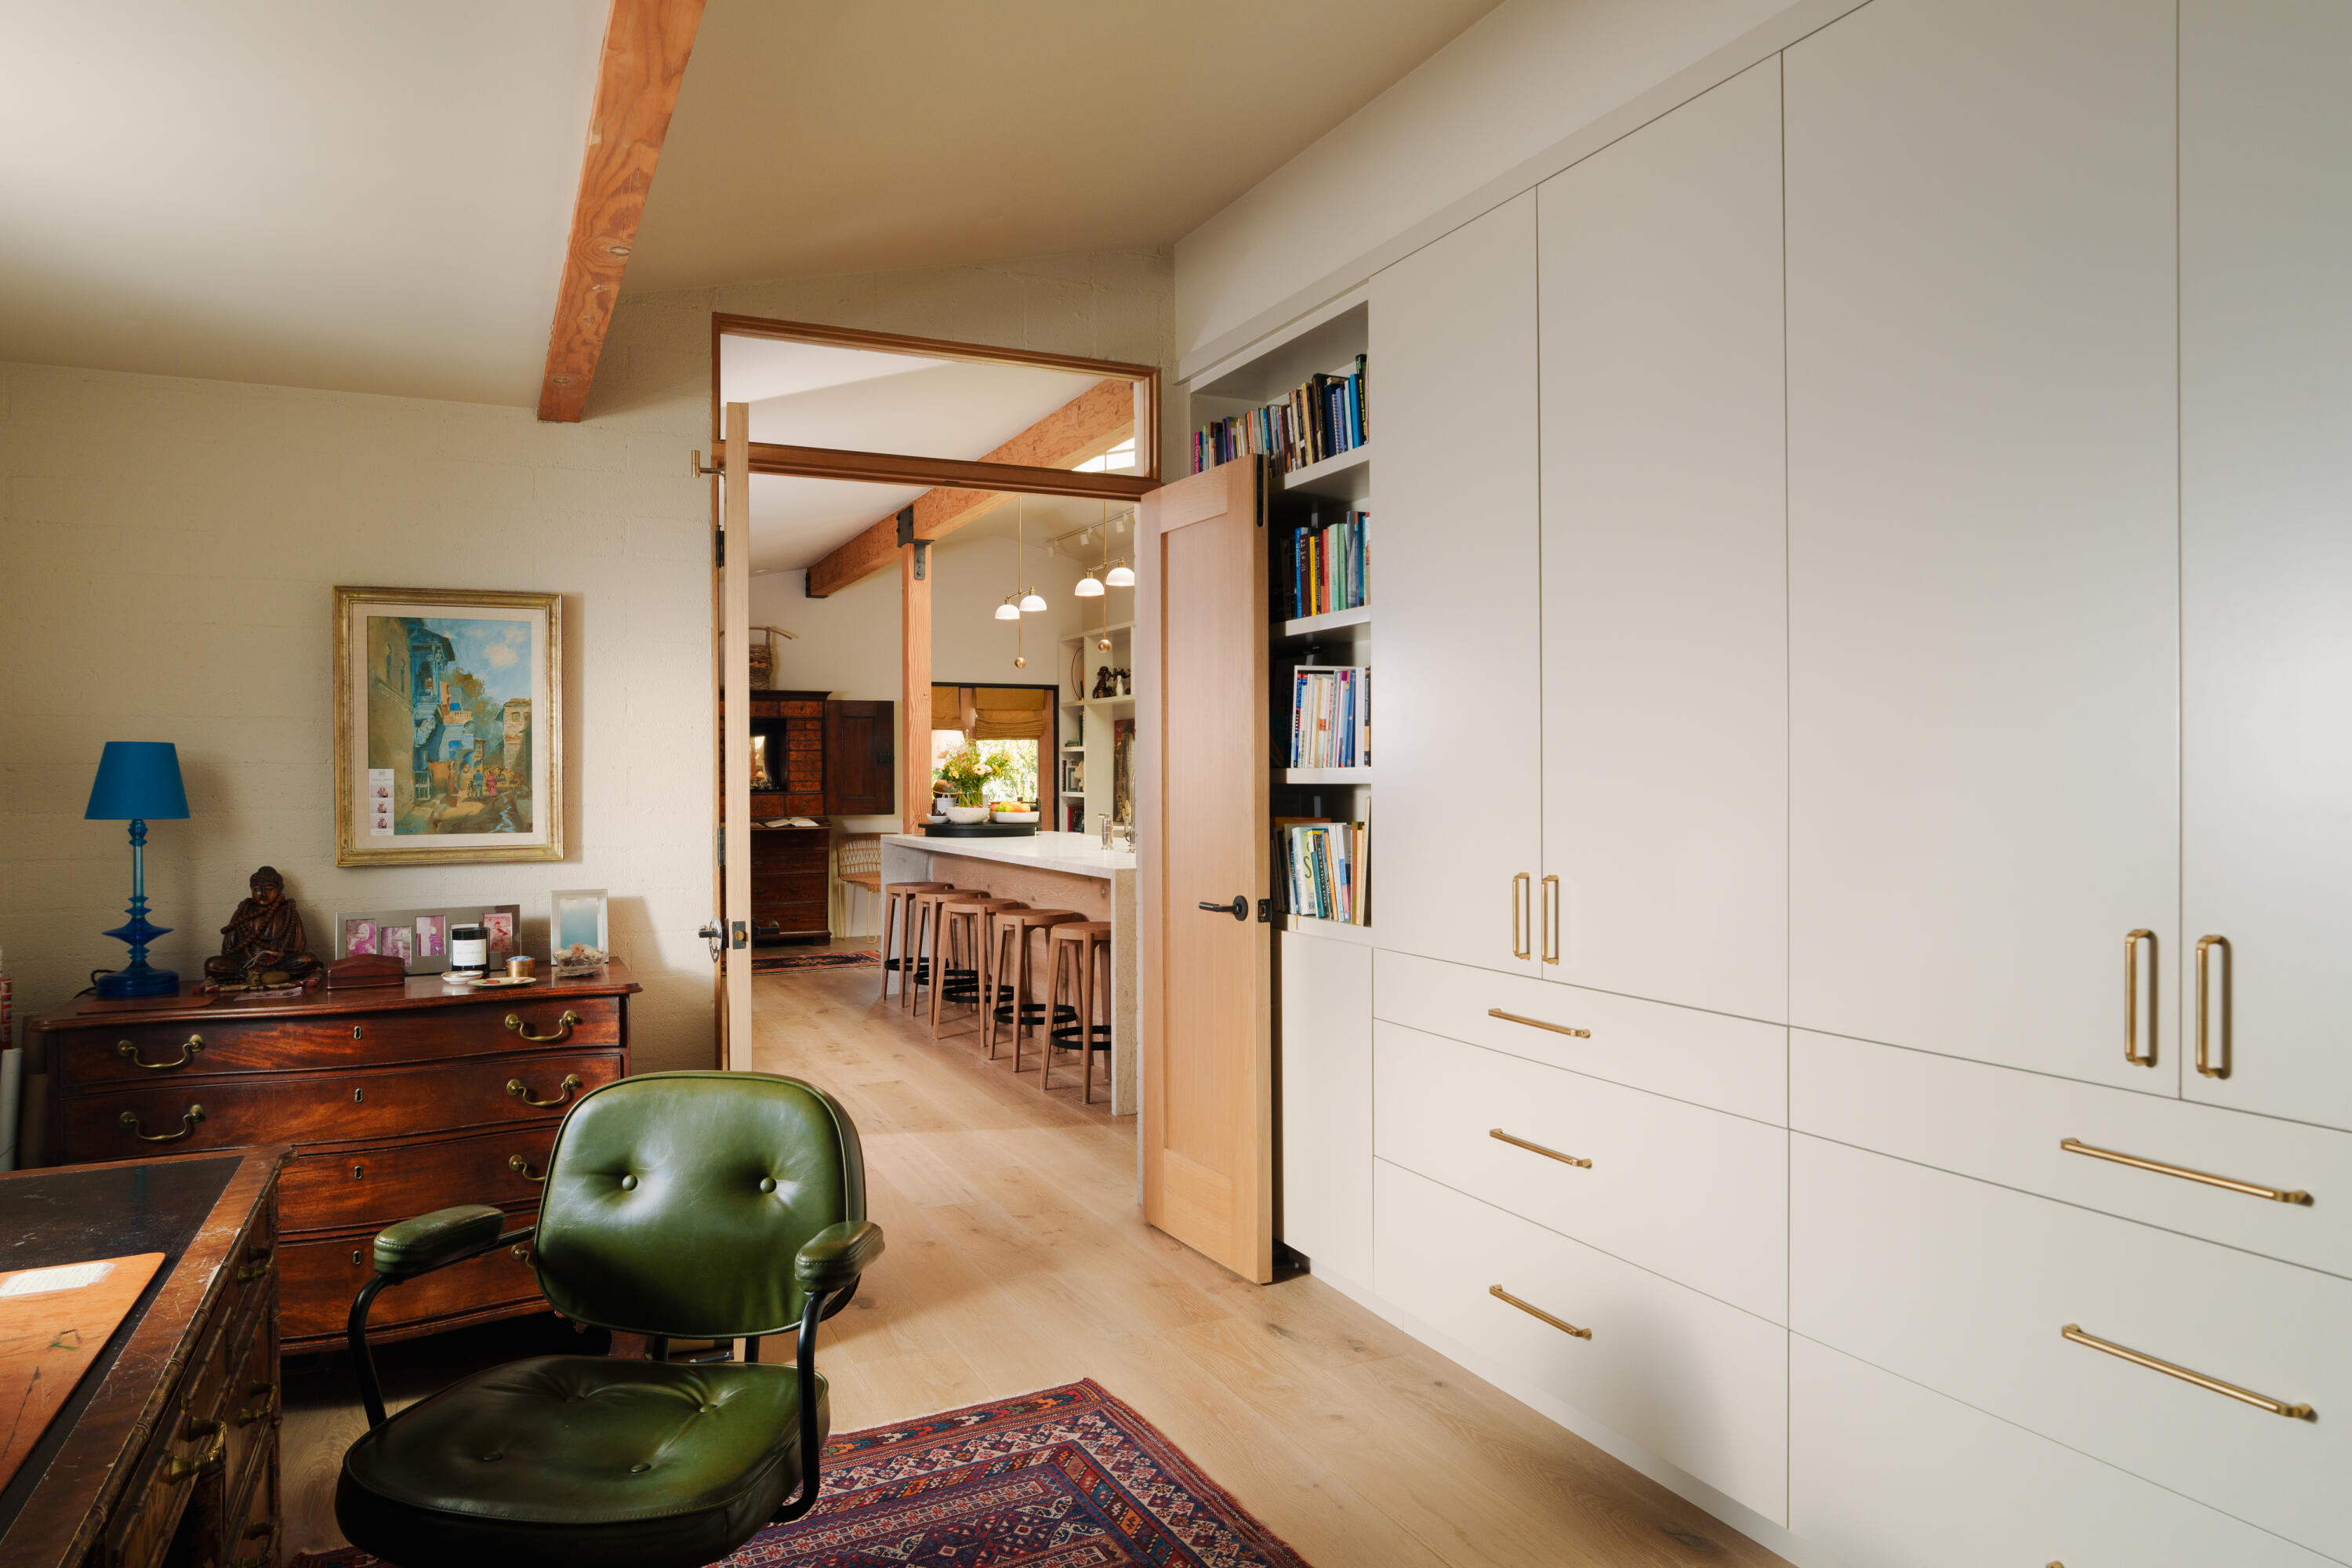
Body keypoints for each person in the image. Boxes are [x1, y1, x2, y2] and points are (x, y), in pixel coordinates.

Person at [203, 866, 320, 982]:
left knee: (308, 959)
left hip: (279, 962)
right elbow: (228, 950)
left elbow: (299, 947)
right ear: (251, 890)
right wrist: (246, 960)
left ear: (279, 890)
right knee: (211, 964)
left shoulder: (287, 911)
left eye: (269, 889)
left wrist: (278, 956)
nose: (262, 893)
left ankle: (262, 974)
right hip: (246, 963)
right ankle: (256, 973)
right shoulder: (243, 911)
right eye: (257, 888)